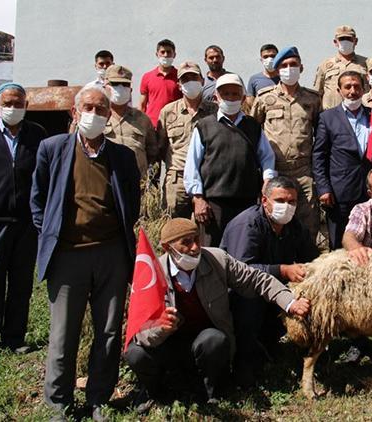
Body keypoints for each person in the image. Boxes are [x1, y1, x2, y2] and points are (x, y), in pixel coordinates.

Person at [30, 86, 140, 420]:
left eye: (101, 109)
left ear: (109, 116)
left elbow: (130, 206)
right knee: (64, 332)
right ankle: (59, 402)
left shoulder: (122, 156)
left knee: (107, 332)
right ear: (75, 112)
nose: (94, 114)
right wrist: (53, 236)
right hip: (68, 255)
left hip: (111, 254)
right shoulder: (53, 148)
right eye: (88, 107)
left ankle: (99, 399)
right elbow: (38, 201)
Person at [125, 218, 310, 407]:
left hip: (205, 344)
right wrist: (161, 327)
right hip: (168, 345)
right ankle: (157, 391)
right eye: (186, 242)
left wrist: (290, 303)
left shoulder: (216, 259)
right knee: (134, 353)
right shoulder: (152, 274)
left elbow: (257, 279)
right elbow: (139, 333)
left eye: (197, 239)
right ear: (167, 247)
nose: (195, 247)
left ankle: (210, 389)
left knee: (214, 340)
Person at [220, 176, 319, 386]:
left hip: (275, 288)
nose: (287, 207)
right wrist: (283, 270)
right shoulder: (247, 225)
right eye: (281, 201)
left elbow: (312, 257)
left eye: (292, 202)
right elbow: (242, 271)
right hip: (240, 292)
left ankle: (281, 348)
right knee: (249, 301)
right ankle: (243, 365)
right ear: (264, 201)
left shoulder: (294, 226)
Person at [0, 83, 47, 361]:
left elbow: (44, 176)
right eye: (8, 103)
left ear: (26, 106)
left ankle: (14, 337)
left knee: (21, 281)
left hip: (27, 222)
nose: (13, 108)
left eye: (18, 103)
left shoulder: (36, 135)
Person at [183, 73, 277, 247]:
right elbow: (192, 166)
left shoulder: (253, 126)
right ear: (216, 97)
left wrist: (267, 180)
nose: (231, 98)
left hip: (247, 202)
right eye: (226, 94)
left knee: (244, 247)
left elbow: (266, 157)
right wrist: (198, 198)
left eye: (235, 94)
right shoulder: (204, 126)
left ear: (242, 97)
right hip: (214, 204)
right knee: (213, 252)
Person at [251, 46, 322, 241]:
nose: (289, 69)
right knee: (273, 224)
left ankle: (307, 264)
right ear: (277, 69)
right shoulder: (265, 98)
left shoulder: (312, 99)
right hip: (275, 171)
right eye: (284, 65)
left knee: (308, 226)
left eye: (293, 65)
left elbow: (320, 134)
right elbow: (253, 132)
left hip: (303, 172)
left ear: (301, 67)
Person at [313, 70, 372, 250]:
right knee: (339, 244)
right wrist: (323, 188)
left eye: (356, 86)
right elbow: (319, 156)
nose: (352, 91)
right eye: (347, 87)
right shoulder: (327, 118)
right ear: (339, 91)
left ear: (363, 90)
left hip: (368, 192)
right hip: (340, 193)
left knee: (367, 241)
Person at [157, 61, 217, 218]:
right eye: (185, 79)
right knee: (175, 228)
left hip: (207, 178)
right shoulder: (168, 112)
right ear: (178, 85)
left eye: (194, 78)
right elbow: (161, 146)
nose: (190, 82)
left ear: (202, 81)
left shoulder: (215, 111)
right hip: (177, 181)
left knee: (207, 229)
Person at [103, 64, 159, 176]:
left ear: (131, 89)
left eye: (125, 84)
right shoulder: (98, 116)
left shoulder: (142, 119)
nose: (120, 87)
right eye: (115, 84)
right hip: (107, 181)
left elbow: (153, 153)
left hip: (137, 182)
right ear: (105, 86)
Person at [313, 25, 368, 109]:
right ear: (335, 42)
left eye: (348, 39)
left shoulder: (366, 63)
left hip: (360, 114)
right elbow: (317, 94)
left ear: (355, 41)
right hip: (331, 116)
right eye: (342, 39)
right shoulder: (325, 65)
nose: (345, 42)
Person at [140, 39, 182, 127]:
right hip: (152, 125)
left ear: (174, 55)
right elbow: (142, 104)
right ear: (157, 54)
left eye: (169, 52)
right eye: (162, 52)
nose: (165, 55)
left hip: (175, 125)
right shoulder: (147, 77)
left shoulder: (180, 77)